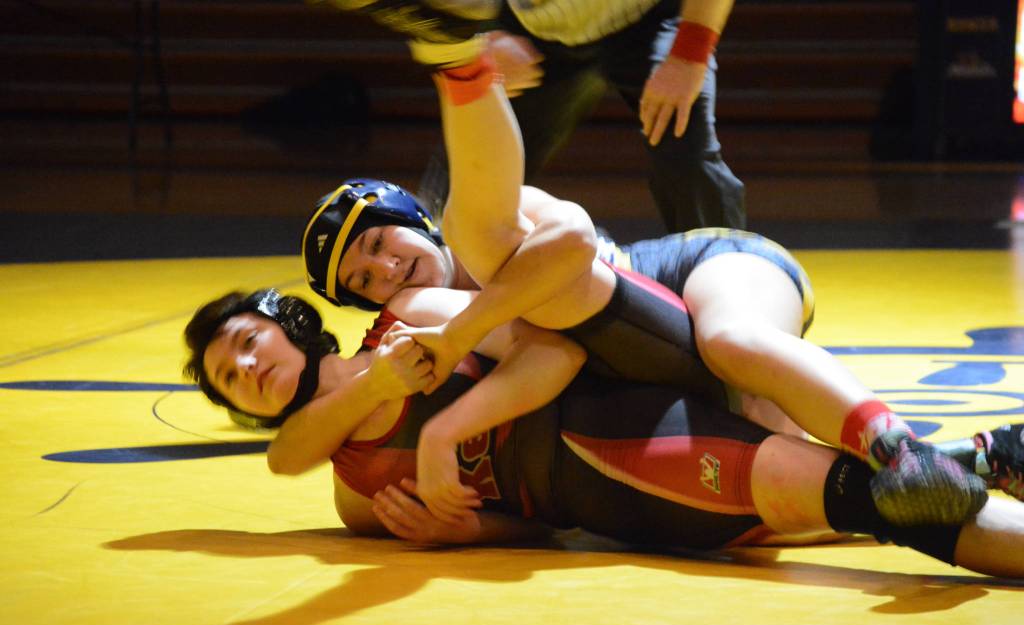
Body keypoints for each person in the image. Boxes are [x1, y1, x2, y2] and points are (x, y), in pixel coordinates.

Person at [296, 53, 1020, 522]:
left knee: (732, 340)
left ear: (410, 217)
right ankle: (982, 457)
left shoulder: (485, 227)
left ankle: (900, 448)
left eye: (377, 244)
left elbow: (572, 248)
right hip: (657, 371)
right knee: (772, 511)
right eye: (363, 281)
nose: (384, 273)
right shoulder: (421, 329)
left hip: (698, 274)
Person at [182, 288, 1024, 579]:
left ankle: (960, 470)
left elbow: (550, 350)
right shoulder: (356, 495)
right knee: (861, 510)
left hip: (625, 427)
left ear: (288, 322)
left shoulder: (414, 321)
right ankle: (977, 461)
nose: (247, 366)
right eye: (229, 375)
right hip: (619, 509)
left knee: (877, 507)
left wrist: (446, 423)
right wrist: (471, 531)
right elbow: (544, 530)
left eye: (247, 341)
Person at [311, 0, 744, 232]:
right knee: (470, 172)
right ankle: (439, 305)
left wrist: (690, 53)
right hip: (532, 34)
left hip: (652, 20)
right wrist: (481, 40)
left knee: (687, 157)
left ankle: (736, 296)